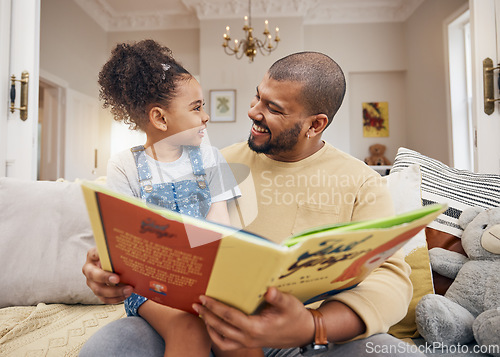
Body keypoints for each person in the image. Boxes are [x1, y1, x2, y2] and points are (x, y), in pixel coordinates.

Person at [81, 51, 425, 357]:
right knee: (111, 346)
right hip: (205, 322)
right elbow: (153, 228)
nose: (252, 112)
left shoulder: (361, 181)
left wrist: (312, 325)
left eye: (272, 108)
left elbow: (390, 279)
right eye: (257, 98)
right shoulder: (213, 164)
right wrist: (109, 269)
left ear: (315, 124)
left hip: (306, 338)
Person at [84, 39, 240, 357]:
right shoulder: (124, 165)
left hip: (207, 281)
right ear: (160, 118)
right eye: (196, 108)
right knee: (188, 325)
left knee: (235, 332)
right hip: (151, 290)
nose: (206, 116)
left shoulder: (212, 159)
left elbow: (222, 228)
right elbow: (123, 245)